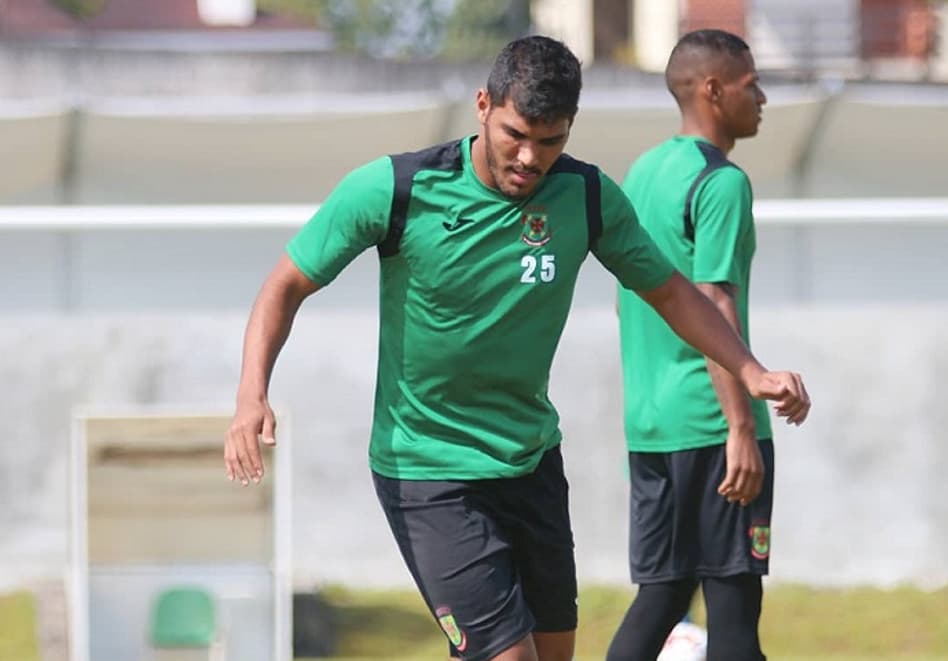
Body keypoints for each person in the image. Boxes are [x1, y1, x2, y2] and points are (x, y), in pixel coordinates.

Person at [224, 35, 809, 661]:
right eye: (516, 134)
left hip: (530, 464)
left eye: (551, 140)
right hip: (429, 470)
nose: (531, 157)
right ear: (483, 105)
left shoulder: (585, 196)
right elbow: (285, 283)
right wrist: (250, 393)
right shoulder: (396, 188)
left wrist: (748, 369)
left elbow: (670, 290)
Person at [607, 29, 803, 661]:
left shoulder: (643, 171)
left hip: (651, 425)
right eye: (751, 86)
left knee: (661, 599)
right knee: (735, 611)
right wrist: (741, 428)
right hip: (711, 423)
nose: (763, 98)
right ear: (714, 90)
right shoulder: (721, 183)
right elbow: (715, 301)